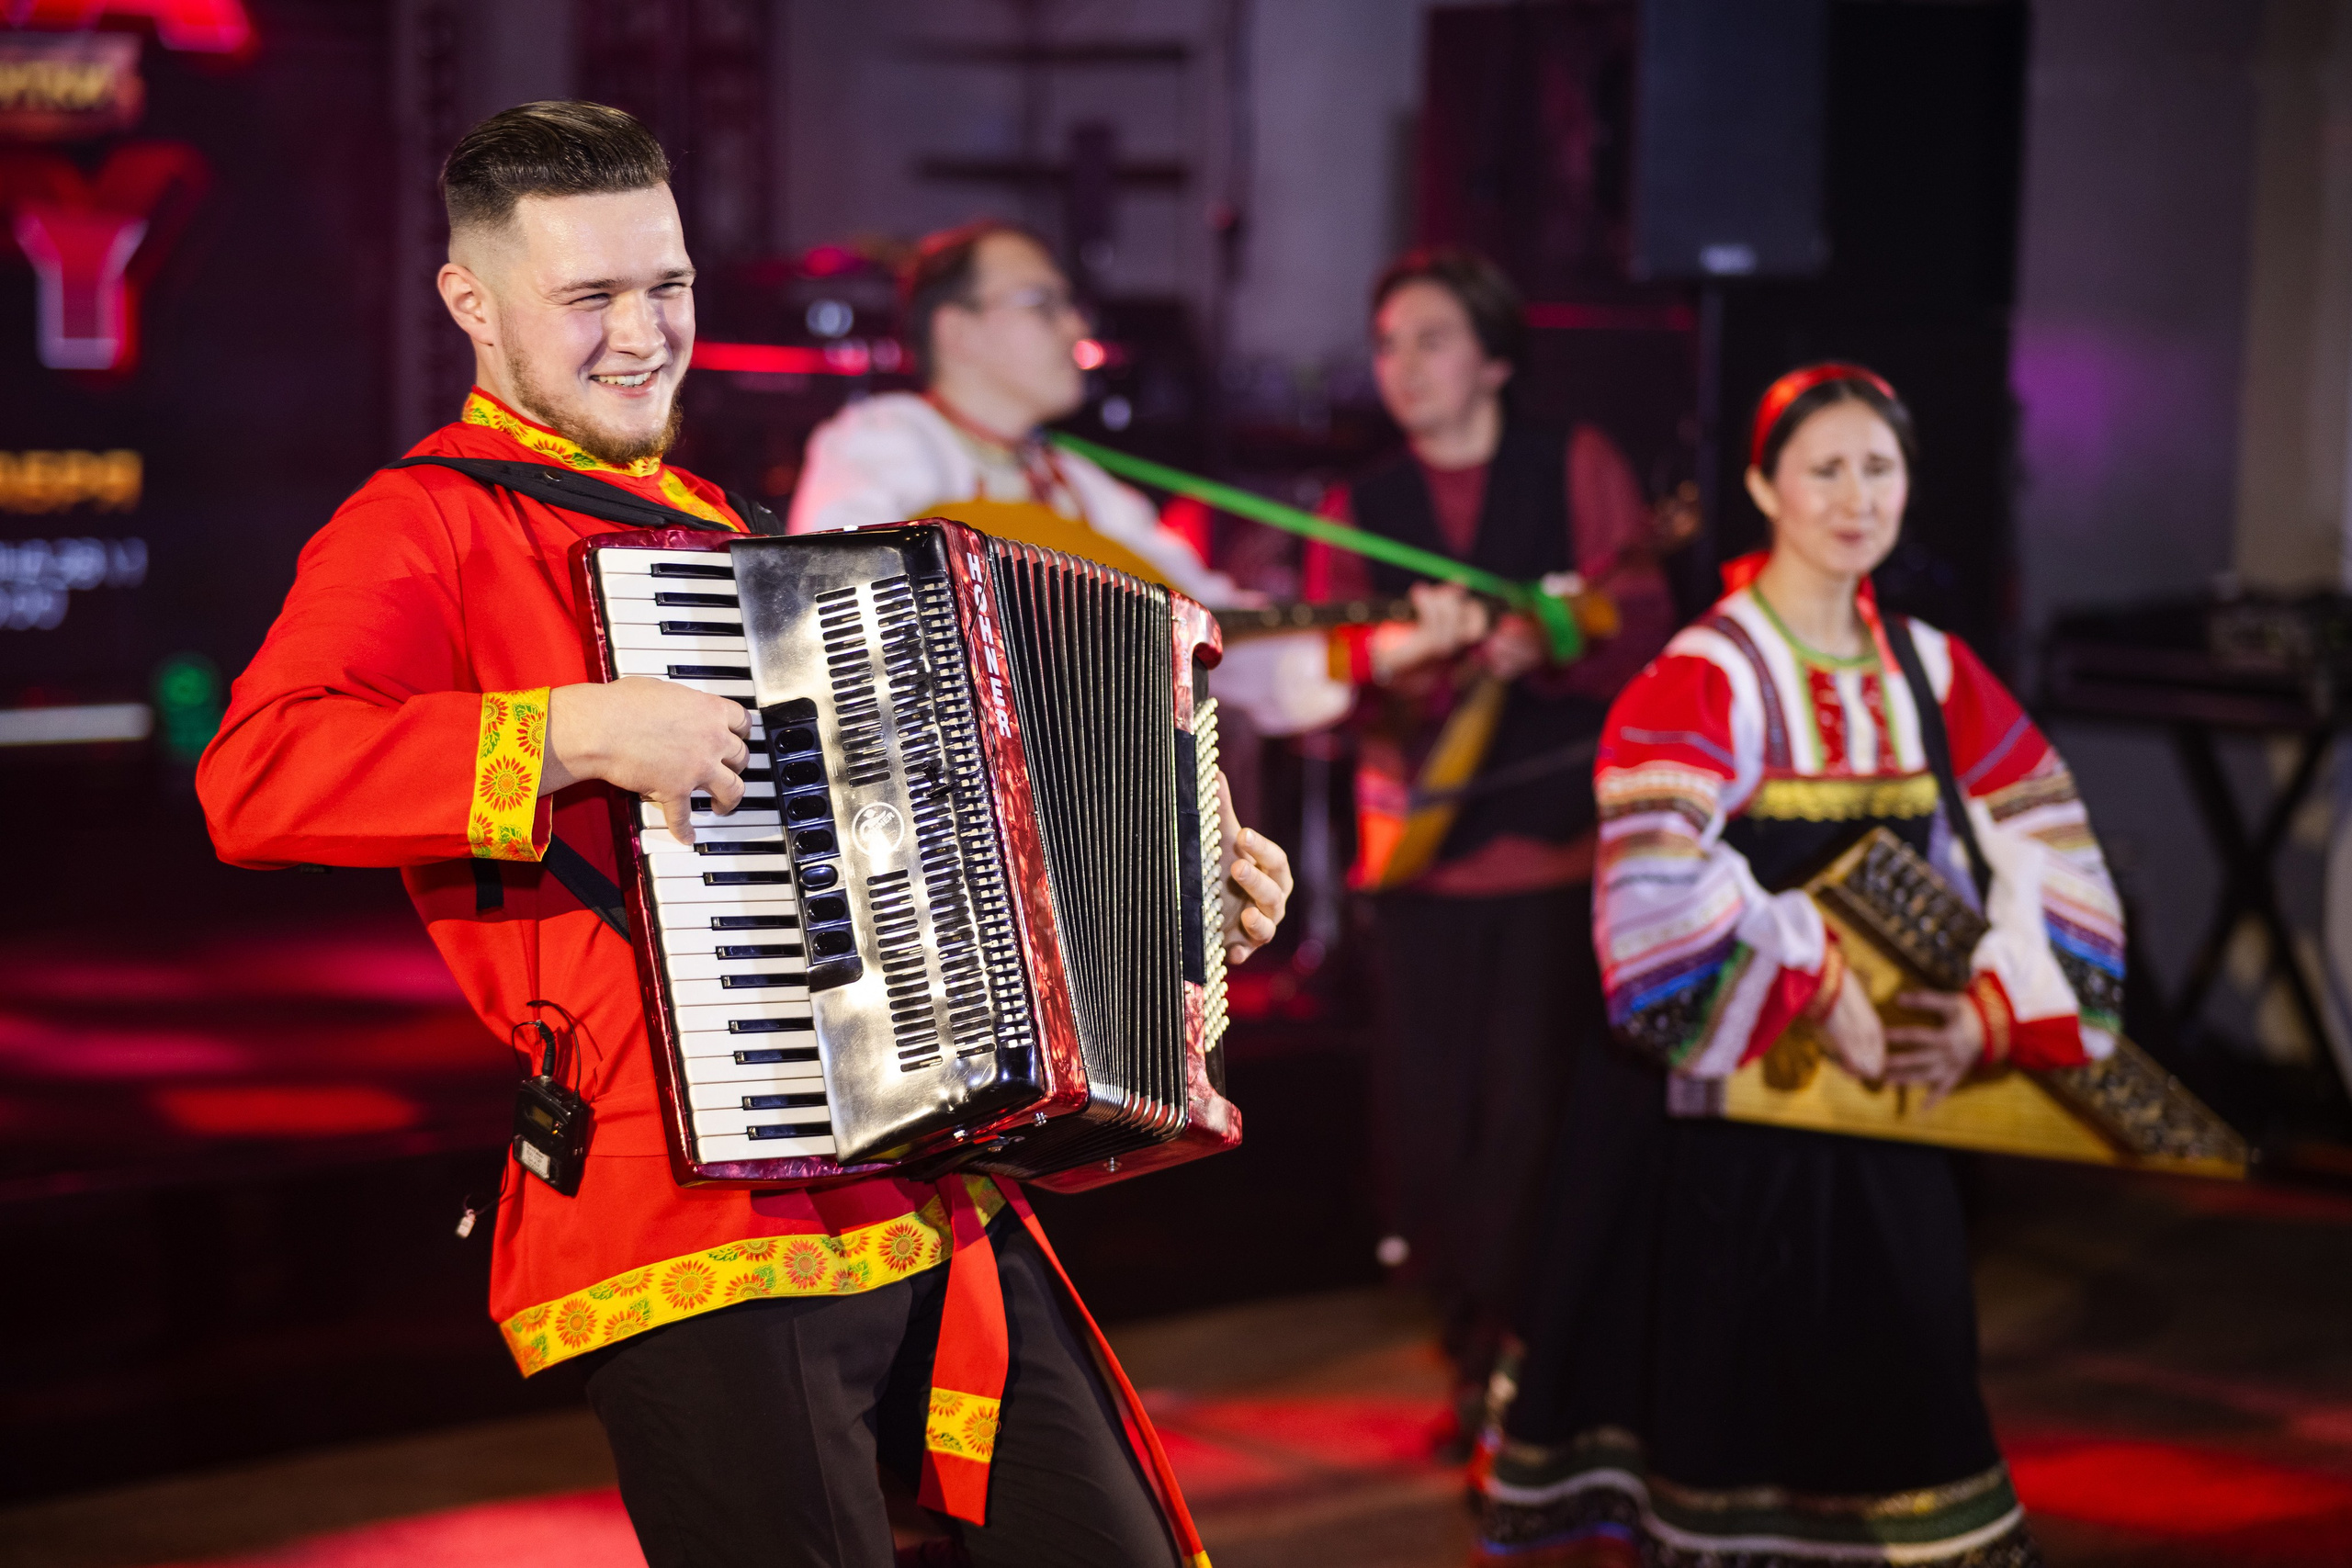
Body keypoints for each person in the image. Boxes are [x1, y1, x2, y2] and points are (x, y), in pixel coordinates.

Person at [198, 101, 1295, 1568]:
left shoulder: (729, 527)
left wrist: (1168, 887)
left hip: (919, 1170)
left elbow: (934, 829)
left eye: (669, 286)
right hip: (678, 1212)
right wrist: (574, 729)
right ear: (472, 303)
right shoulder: (421, 525)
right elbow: (256, 773)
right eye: (588, 298)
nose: (643, 333)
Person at [1473, 364, 2126, 1567]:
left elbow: (2049, 842)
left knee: (1910, 1377)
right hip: (1719, 1107)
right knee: (1728, 1400)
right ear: (1764, 483)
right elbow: (1656, 877)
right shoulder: (1706, 670)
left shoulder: (1932, 671)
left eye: (1878, 467)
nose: (1854, 494)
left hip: (1883, 1107)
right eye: (1824, 466)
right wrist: (1811, 966)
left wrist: (1992, 1011)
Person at [1304, 248, 1680, 1449]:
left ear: (1497, 357)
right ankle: (1470, 1328)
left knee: (1527, 1114)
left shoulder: (1575, 465)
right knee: (1428, 1122)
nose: (1402, 366)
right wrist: (1405, 656)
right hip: (1418, 863)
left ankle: (1516, 1359)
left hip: (1554, 857)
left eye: (1431, 339)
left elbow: (1650, 633)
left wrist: (1554, 640)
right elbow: (1326, 683)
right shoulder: (1356, 508)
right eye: (1386, 344)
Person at [788, 219, 1351, 738]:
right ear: (958, 331)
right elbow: (831, 624)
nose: (1078, 325)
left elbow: (1203, 625)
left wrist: (1360, 653)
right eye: (1044, 304)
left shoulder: (1081, 487)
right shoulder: (879, 443)